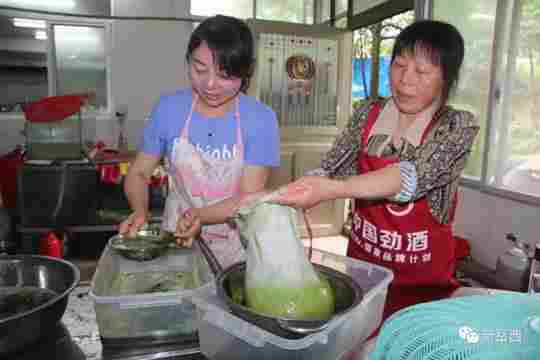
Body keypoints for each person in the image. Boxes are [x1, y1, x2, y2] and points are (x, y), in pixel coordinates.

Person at [271, 20, 479, 321]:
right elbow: (332, 167)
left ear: (446, 78)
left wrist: (334, 189)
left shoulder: (456, 125)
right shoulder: (368, 113)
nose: (405, 80)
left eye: (421, 72)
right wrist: (302, 187)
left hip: (422, 292)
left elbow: (410, 178)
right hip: (364, 276)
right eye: (399, 65)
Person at [119, 15, 280, 268]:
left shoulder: (261, 119)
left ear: (246, 71)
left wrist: (200, 216)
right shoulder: (169, 108)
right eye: (200, 69)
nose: (210, 85)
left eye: (225, 75)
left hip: (234, 243)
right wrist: (140, 211)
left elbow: (247, 199)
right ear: (188, 61)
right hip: (176, 236)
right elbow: (139, 173)